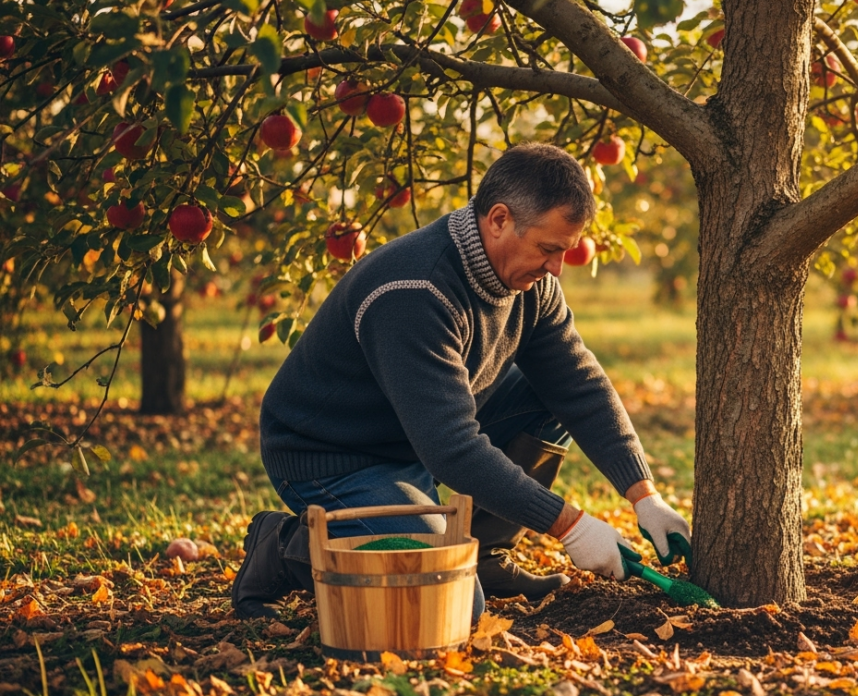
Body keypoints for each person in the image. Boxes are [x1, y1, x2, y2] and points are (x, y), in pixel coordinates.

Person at [231, 143, 692, 620]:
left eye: (564, 252)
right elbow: (451, 448)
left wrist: (644, 495)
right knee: (448, 603)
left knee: (545, 397)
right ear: (498, 220)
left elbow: (579, 385)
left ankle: (485, 556)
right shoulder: (415, 291)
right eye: (548, 249)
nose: (556, 269)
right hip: (335, 456)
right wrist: (569, 526)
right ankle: (283, 547)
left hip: (415, 434)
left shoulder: (531, 285)